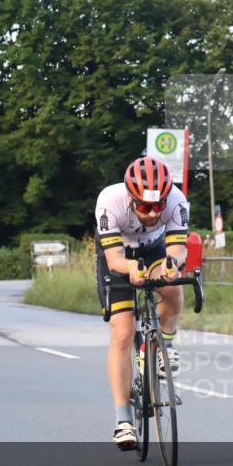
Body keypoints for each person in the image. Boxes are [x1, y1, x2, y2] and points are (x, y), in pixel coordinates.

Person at [96, 156, 189, 450]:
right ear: (130, 197)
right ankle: (123, 419)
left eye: (157, 206)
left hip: (155, 248)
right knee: (122, 333)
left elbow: (177, 248)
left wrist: (169, 266)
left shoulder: (176, 199)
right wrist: (130, 270)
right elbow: (113, 260)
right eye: (145, 207)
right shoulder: (109, 200)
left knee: (173, 286)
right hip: (118, 254)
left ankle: (166, 347)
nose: (151, 214)